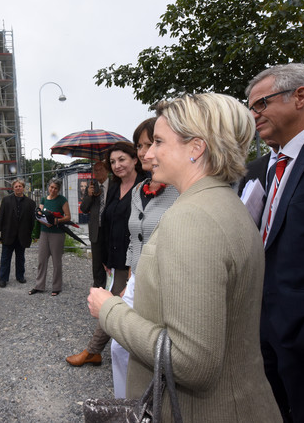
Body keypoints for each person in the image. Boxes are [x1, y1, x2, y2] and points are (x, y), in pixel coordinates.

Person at [87, 93, 282, 422]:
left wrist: (110, 311)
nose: (149, 153)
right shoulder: (223, 202)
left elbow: (191, 362)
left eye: (159, 141)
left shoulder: (192, 219)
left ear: (196, 147)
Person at [246, 63, 304, 423]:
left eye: (261, 104)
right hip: (269, 339)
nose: (253, 115)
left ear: (300, 97)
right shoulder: (268, 165)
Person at [110, 117, 179, 398]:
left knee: (157, 351)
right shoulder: (140, 189)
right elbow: (133, 235)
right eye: (139, 145)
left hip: (165, 281)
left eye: (151, 144)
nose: (143, 151)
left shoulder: (179, 189)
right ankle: (125, 405)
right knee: (119, 345)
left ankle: (153, 405)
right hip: (138, 277)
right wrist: (130, 271)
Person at [66, 141, 145, 367]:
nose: (117, 165)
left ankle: (94, 350)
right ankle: (101, 351)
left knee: (113, 304)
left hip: (133, 260)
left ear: (134, 159)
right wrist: (106, 261)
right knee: (117, 303)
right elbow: (107, 224)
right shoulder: (113, 188)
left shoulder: (145, 186)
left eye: (122, 160)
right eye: (113, 162)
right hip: (114, 257)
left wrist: (132, 265)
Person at [28, 178, 71, 296]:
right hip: (44, 232)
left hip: (57, 233)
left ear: (59, 189)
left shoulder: (62, 200)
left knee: (56, 261)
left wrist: (56, 221)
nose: (53, 190)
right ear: (48, 187)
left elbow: (68, 217)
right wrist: (42, 219)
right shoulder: (43, 199)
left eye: (56, 188)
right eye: (51, 187)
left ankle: (56, 287)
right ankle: (39, 285)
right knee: (42, 260)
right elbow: (39, 214)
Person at [0, 179, 36, 288]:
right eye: (16, 186)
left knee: (21, 258)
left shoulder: (31, 203)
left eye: (20, 186)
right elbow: (1, 216)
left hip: (23, 235)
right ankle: (3, 279)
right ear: (13, 188)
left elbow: (32, 220)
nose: (18, 188)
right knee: (5, 258)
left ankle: (20, 276)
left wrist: (33, 234)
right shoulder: (6, 200)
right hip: (8, 234)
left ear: (23, 188)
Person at [79, 161, 110, 288]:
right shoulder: (91, 187)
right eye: (94, 170)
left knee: (110, 260)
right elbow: (84, 209)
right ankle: (98, 287)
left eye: (99, 169)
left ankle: (111, 287)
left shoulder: (115, 185)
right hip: (96, 230)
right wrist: (89, 196)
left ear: (107, 170)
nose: (96, 172)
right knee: (97, 263)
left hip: (110, 229)